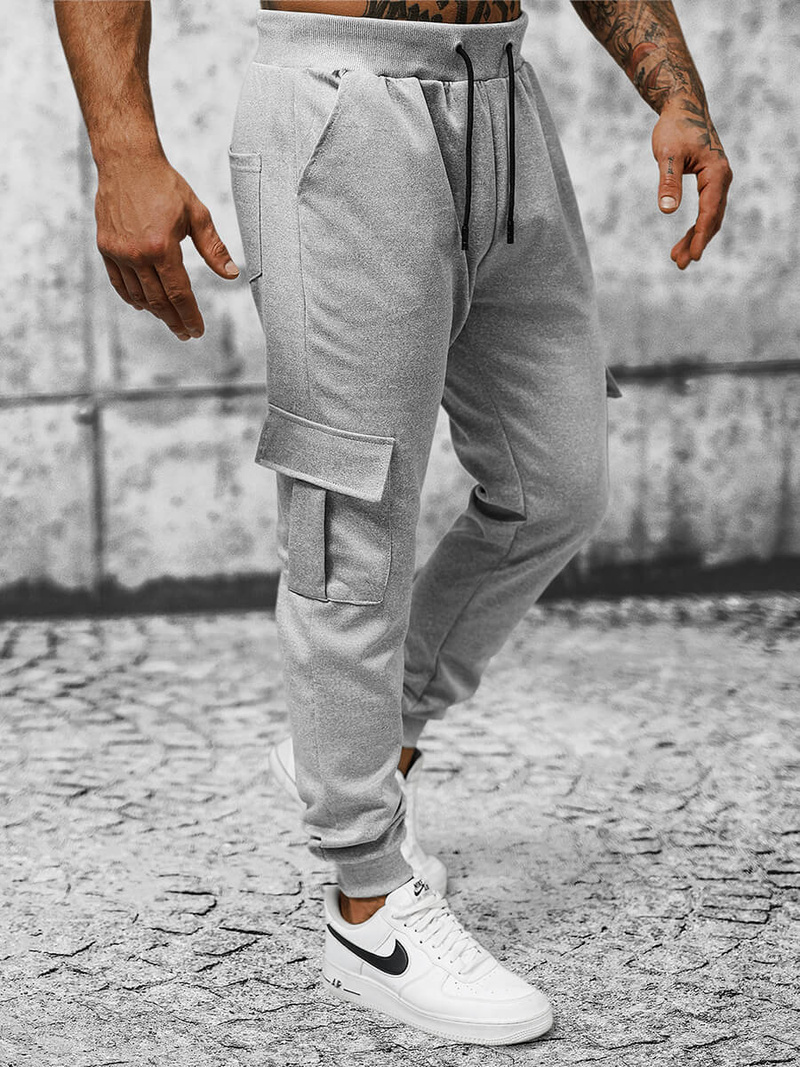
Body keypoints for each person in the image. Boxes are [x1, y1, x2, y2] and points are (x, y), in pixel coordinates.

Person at [54, 0, 732, 1046]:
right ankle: (367, 904)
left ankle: (358, 744)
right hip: (343, 103)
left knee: (555, 482)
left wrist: (677, 96)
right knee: (348, 516)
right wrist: (124, 149)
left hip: (504, 98)